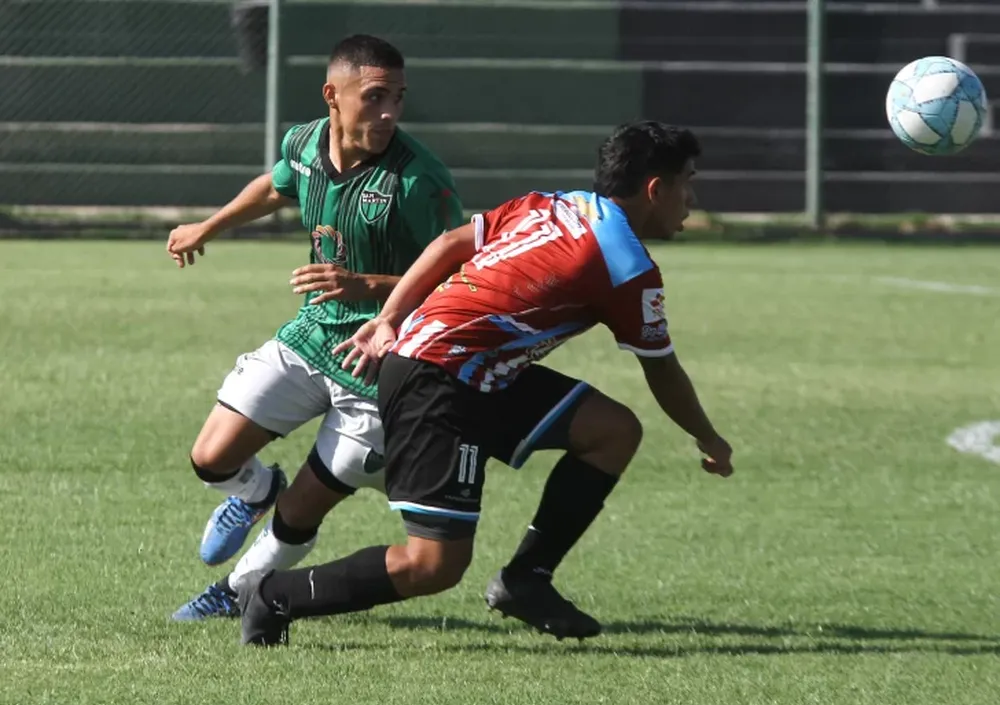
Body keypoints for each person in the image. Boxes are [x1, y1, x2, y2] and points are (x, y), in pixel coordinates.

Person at [234, 120, 735, 647]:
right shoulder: (627, 267)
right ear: (656, 189)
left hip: (474, 372)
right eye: (688, 182)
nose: (691, 197)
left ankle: (527, 580)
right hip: (438, 379)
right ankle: (273, 596)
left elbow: (451, 245)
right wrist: (709, 437)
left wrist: (391, 317)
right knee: (433, 566)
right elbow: (662, 369)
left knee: (612, 430)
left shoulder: (554, 204)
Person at [167, 34, 464, 620]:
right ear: (333, 94)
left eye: (398, 99)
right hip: (311, 335)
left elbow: (456, 279)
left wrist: (367, 287)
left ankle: (238, 593)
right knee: (210, 457)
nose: (389, 113)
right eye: (375, 97)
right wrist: (211, 225)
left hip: (379, 357)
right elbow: (278, 186)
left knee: (302, 511)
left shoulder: (418, 181)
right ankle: (255, 489)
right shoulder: (303, 142)